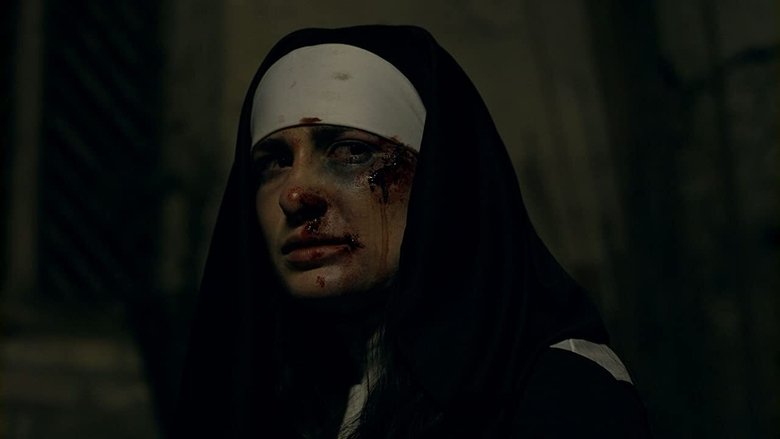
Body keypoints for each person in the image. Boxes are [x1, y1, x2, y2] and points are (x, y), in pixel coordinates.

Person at [176, 25, 652, 438]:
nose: (295, 194)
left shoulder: (560, 390)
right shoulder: (266, 394)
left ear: (438, 182)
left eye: (351, 151)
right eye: (274, 161)